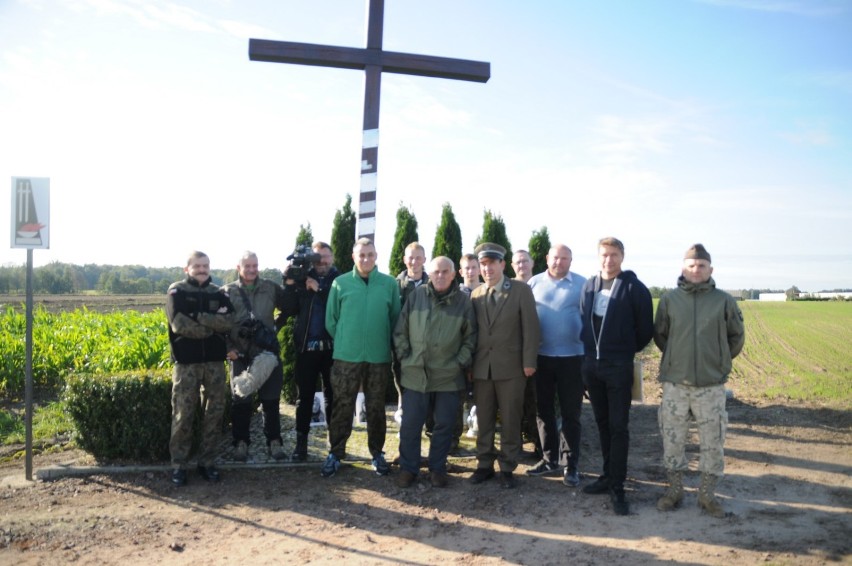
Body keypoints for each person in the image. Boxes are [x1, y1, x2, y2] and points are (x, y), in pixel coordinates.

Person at [654, 244, 745, 518]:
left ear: (711, 270)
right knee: (672, 439)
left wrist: (717, 360)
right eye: (691, 265)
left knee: (713, 441)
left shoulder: (724, 301)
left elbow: (736, 337)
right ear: (683, 268)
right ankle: (674, 491)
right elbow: (661, 336)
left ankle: (707, 496)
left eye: (702, 266)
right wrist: (677, 359)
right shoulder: (669, 300)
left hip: (710, 387)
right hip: (675, 385)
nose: (696, 270)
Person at [580, 237, 653, 515]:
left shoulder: (635, 288)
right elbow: (583, 318)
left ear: (622, 256)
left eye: (613, 255)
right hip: (592, 366)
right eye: (603, 255)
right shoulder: (589, 286)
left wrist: (622, 350)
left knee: (619, 426)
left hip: (619, 367)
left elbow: (644, 329)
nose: (608, 260)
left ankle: (618, 485)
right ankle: (607, 475)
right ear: (598, 257)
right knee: (602, 424)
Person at [393, 256, 477, 488]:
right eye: (436, 272)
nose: (440, 276)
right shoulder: (417, 296)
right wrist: (405, 357)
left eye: (445, 272)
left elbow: (470, 339)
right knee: (411, 424)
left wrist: (458, 363)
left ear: (453, 275)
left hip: (448, 377)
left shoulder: (464, 302)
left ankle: (437, 468)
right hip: (415, 374)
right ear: (429, 274)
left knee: (444, 426)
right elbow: (401, 330)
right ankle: (408, 469)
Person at [321, 238, 401, 477]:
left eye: (370, 254)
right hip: (346, 357)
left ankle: (377, 453)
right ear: (353, 257)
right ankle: (335, 453)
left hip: (378, 358)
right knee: (342, 405)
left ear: (376, 256)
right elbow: (331, 320)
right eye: (361, 255)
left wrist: (381, 345)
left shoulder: (389, 285)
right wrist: (347, 340)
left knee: (376, 407)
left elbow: (395, 319)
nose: (366, 259)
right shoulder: (340, 284)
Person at [469, 243, 541, 489]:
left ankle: (508, 467)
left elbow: (531, 328)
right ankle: (484, 465)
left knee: (511, 419)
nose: (487, 268)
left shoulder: (520, 291)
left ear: (502, 264)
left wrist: (529, 361)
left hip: (512, 368)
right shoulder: (476, 294)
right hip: (482, 369)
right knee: (484, 418)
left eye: (492, 263)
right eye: (483, 264)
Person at [166, 251, 236, 486]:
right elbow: (179, 324)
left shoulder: (219, 292)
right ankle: (179, 465)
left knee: (214, 414)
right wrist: (210, 328)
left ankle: (207, 463)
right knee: (183, 415)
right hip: (187, 363)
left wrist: (198, 316)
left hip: (215, 363)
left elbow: (228, 321)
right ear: (187, 269)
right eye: (197, 266)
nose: (202, 269)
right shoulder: (177, 291)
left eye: (205, 265)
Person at [526, 244, 587, 487]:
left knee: (571, 413)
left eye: (564, 258)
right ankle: (549, 458)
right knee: (543, 411)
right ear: (547, 259)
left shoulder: (583, 284)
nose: (559, 262)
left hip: (573, 357)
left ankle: (570, 465)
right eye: (555, 258)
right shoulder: (534, 284)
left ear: (571, 261)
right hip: (542, 357)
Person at [223, 252, 287, 462]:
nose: (252, 270)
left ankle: (274, 442)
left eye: (255, 266)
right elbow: (218, 325)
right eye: (247, 266)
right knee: (241, 401)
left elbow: (290, 307)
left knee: (271, 400)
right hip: (239, 355)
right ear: (239, 267)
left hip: (267, 354)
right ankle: (241, 443)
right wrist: (228, 349)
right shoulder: (228, 292)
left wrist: (275, 327)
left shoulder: (270, 287)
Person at [280, 241, 340, 461]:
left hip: (334, 349)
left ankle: (334, 444)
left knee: (333, 397)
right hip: (307, 347)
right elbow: (289, 308)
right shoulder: (303, 278)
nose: (322, 261)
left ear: (332, 258)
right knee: (303, 398)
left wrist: (320, 288)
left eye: (325, 257)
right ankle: (301, 444)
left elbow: (339, 305)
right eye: (317, 257)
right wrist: (288, 283)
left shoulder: (340, 280)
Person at [513, 249, 543, 459]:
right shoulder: (509, 288)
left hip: (539, 354)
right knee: (514, 402)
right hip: (513, 355)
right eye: (517, 262)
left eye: (525, 261)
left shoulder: (542, 285)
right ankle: (516, 443)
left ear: (532, 263)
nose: (521, 265)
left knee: (536, 400)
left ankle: (538, 443)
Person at [392, 242, 429, 409]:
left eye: (418, 258)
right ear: (404, 260)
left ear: (424, 260)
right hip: (402, 344)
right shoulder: (394, 285)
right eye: (411, 258)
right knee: (403, 381)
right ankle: (404, 412)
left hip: (428, 345)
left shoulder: (434, 284)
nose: (414, 262)